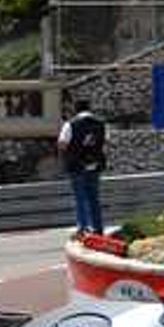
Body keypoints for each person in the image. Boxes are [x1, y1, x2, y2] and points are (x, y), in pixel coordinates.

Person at [57, 98, 108, 235]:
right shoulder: (101, 124)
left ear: (76, 110)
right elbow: (104, 142)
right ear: (89, 109)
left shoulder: (71, 124)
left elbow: (62, 143)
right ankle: (98, 228)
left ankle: (83, 228)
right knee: (94, 198)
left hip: (77, 166)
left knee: (80, 198)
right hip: (95, 164)